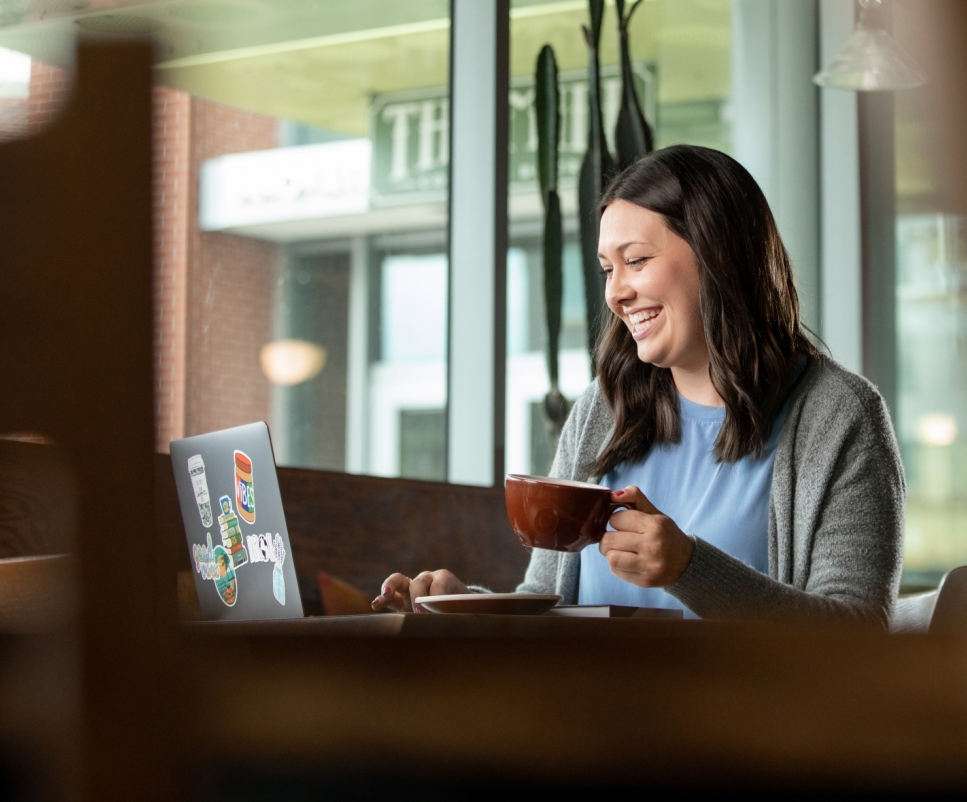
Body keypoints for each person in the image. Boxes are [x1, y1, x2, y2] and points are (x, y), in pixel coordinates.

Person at [373, 144, 904, 622]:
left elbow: (855, 640)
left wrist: (690, 568)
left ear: (719, 256)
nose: (615, 294)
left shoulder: (838, 416)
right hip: (593, 722)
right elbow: (546, 598)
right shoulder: (601, 412)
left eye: (637, 261)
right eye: (608, 269)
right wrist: (468, 606)